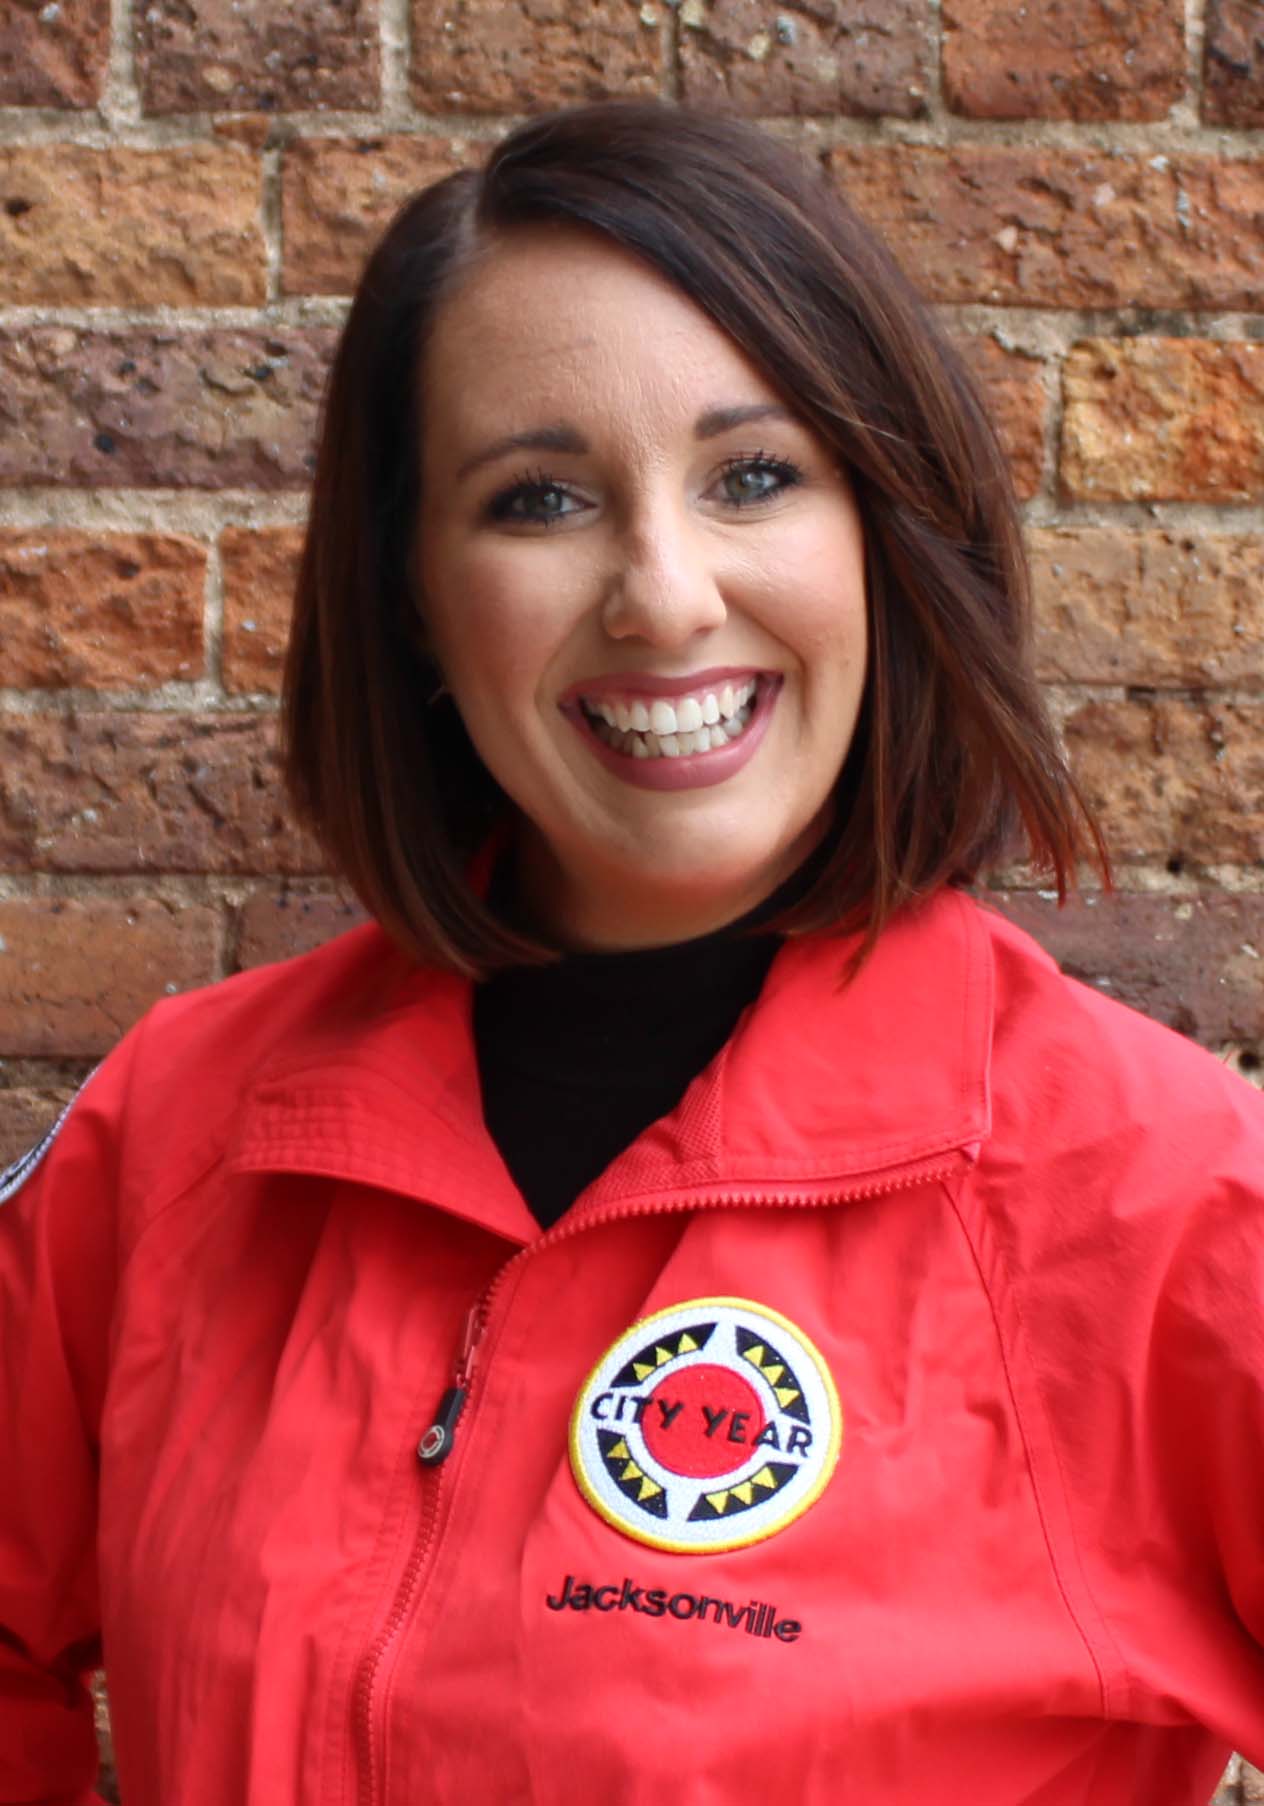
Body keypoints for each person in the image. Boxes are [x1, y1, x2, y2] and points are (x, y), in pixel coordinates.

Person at [1, 99, 1261, 1806]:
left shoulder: (1167, 1204)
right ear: (414, 600)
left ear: (883, 539)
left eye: (754, 476)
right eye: (539, 499)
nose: (663, 595)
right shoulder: (177, 1135)